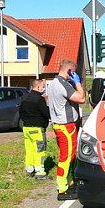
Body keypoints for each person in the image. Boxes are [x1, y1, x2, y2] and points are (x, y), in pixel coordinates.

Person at [45, 59, 86, 199]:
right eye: (73, 72)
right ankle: (62, 189)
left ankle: (68, 183)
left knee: (69, 155)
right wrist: (78, 83)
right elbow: (81, 99)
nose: (73, 75)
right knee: (66, 156)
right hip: (66, 125)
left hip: (60, 124)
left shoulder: (53, 83)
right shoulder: (63, 84)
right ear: (69, 70)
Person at [19, 78, 51, 180]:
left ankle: (29, 170)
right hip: (37, 128)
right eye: (42, 86)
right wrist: (46, 122)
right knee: (40, 150)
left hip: (26, 128)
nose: (43, 88)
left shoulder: (24, 98)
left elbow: (20, 113)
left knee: (29, 150)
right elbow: (45, 113)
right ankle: (40, 172)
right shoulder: (39, 99)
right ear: (38, 87)